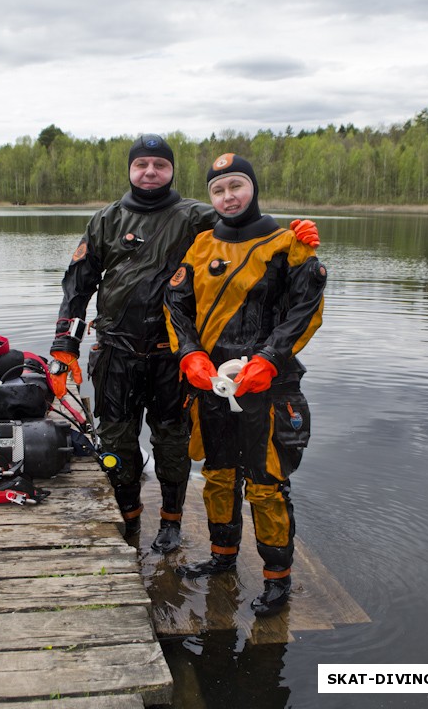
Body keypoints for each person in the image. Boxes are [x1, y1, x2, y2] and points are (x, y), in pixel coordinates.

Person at [49, 135, 320, 556]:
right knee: (116, 438)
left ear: (172, 169)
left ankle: (172, 522)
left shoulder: (198, 216)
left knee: (172, 440)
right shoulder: (105, 220)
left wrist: (294, 234)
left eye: (160, 164)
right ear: (130, 170)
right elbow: (78, 283)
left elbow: (245, 222)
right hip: (114, 352)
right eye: (142, 165)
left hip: (171, 356)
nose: (150, 171)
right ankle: (128, 513)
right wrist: (65, 343)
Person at [163, 152, 326, 617]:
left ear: (252, 187)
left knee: (266, 484)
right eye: (218, 190)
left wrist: (270, 359)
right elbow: (176, 306)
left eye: (236, 185)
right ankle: (222, 557)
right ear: (210, 196)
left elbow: (305, 308)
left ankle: (277, 579)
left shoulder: (286, 244)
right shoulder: (198, 247)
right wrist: (190, 353)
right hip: (213, 384)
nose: (228, 196)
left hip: (267, 387)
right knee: (217, 475)